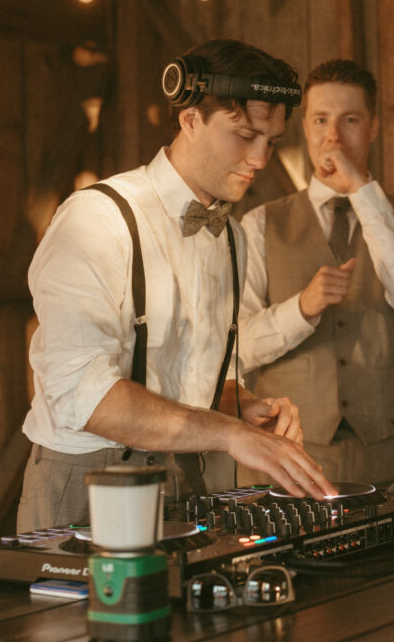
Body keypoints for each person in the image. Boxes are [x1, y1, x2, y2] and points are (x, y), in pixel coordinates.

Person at [17, 39, 337, 533]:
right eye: (245, 135)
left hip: (188, 481)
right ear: (189, 118)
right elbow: (84, 395)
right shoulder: (96, 219)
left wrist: (244, 406)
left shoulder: (230, 233)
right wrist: (229, 434)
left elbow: (200, 378)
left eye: (271, 142)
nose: (259, 159)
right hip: (87, 484)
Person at [238, 59, 394, 485]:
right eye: (320, 120)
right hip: (284, 454)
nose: (332, 136)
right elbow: (235, 347)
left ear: (373, 127)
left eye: (349, 120)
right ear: (304, 128)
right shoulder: (259, 224)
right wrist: (300, 309)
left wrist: (361, 191)